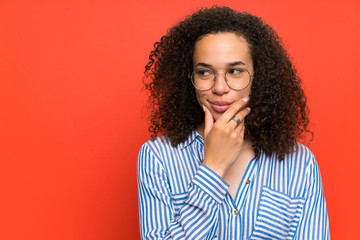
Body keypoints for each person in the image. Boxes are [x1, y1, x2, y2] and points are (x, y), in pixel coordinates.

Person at [137, 6, 329, 239]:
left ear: (258, 77)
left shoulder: (300, 164)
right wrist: (213, 168)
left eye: (235, 71)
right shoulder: (158, 158)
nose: (219, 87)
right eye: (205, 73)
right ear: (190, 78)